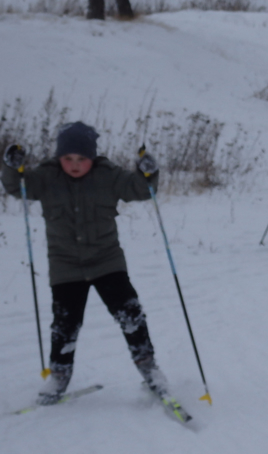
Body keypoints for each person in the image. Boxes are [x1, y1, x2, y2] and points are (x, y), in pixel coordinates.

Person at [1, 121, 166, 405]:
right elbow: (18, 187)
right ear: (58, 157)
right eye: (68, 159)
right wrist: (10, 166)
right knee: (65, 325)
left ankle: (150, 369)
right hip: (66, 265)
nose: (75, 165)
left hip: (106, 260)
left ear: (93, 157)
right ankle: (59, 376)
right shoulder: (47, 176)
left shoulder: (108, 175)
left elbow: (139, 189)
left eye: (82, 159)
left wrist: (148, 172)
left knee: (130, 314)